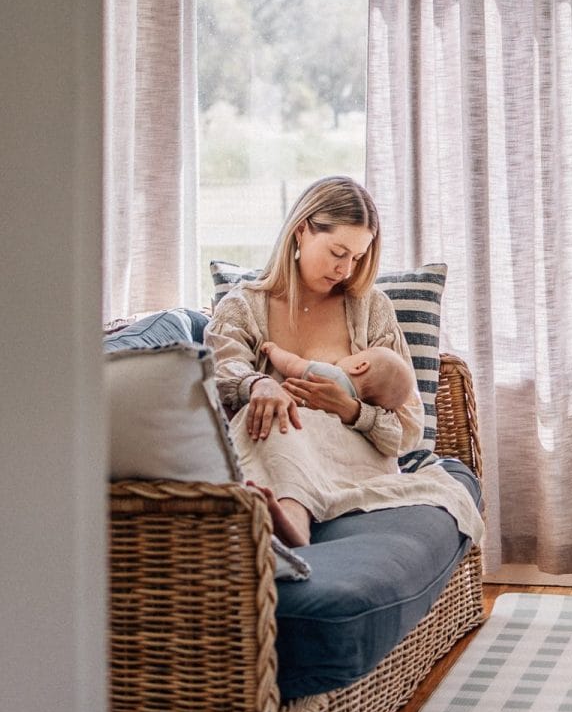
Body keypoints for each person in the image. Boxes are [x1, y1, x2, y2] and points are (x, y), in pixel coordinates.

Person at [206, 176, 482, 549]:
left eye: (357, 257)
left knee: (289, 428)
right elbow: (219, 369)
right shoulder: (243, 306)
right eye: (338, 253)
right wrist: (259, 384)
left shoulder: (372, 309)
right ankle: (290, 518)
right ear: (301, 231)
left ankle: (292, 524)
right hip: (278, 450)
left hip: (351, 461)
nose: (346, 270)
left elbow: (410, 429)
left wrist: (353, 410)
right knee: (280, 424)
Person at [259, 341, 415, 414]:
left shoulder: (332, 375)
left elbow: (291, 365)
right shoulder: (355, 404)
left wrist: (273, 350)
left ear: (360, 367)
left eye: (356, 354)